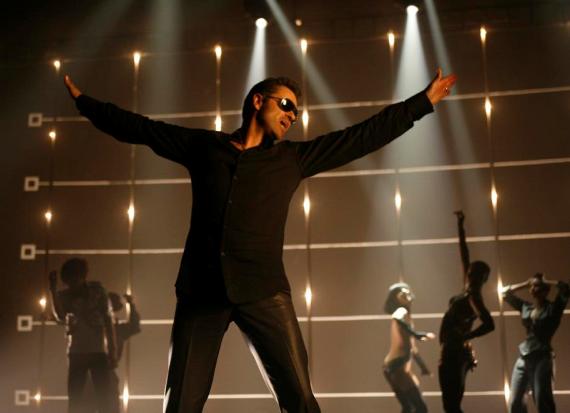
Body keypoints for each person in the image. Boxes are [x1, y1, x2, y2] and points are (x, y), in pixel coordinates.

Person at [63, 67, 456, 413]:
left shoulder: (292, 159)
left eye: (296, 113)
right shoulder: (204, 148)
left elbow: (362, 137)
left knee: (300, 400)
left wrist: (422, 103)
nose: (292, 116)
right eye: (286, 106)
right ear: (257, 101)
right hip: (201, 293)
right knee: (180, 404)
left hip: (264, 293)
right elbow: (142, 129)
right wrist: (86, 103)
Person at [438, 211, 495, 413]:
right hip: (451, 350)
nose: (469, 276)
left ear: (482, 279)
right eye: (469, 273)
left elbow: (489, 324)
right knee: (450, 403)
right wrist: (460, 227)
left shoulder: (473, 297)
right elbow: (464, 255)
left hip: (455, 353)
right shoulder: (467, 290)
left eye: (473, 274)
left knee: (452, 404)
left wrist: (466, 336)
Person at [49, 258, 120, 413]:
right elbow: (60, 315)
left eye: (75, 279)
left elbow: (108, 321)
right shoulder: (66, 295)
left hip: (96, 351)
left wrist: (112, 351)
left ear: (82, 276)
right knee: (76, 399)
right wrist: (53, 291)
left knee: (103, 399)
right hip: (78, 352)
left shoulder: (98, 292)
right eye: (70, 281)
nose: (72, 284)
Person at [501, 273, 569, 413]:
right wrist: (526, 283)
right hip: (523, 357)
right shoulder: (526, 307)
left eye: (537, 286)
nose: (532, 288)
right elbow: (504, 293)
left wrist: (547, 281)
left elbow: (566, 288)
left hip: (542, 357)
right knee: (515, 402)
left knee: (542, 399)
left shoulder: (553, 308)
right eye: (531, 286)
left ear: (545, 290)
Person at [383, 283, 435, 413]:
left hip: (395, 366)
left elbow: (412, 348)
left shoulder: (407, 317)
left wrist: (423, 367)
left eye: (407, 292)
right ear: (395, 298)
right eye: (402, 293)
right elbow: (396, 317)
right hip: (397, 365)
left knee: (409, 407)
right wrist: (417, 334)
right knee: (420, 408)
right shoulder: (401, 311)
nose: (406, 294)